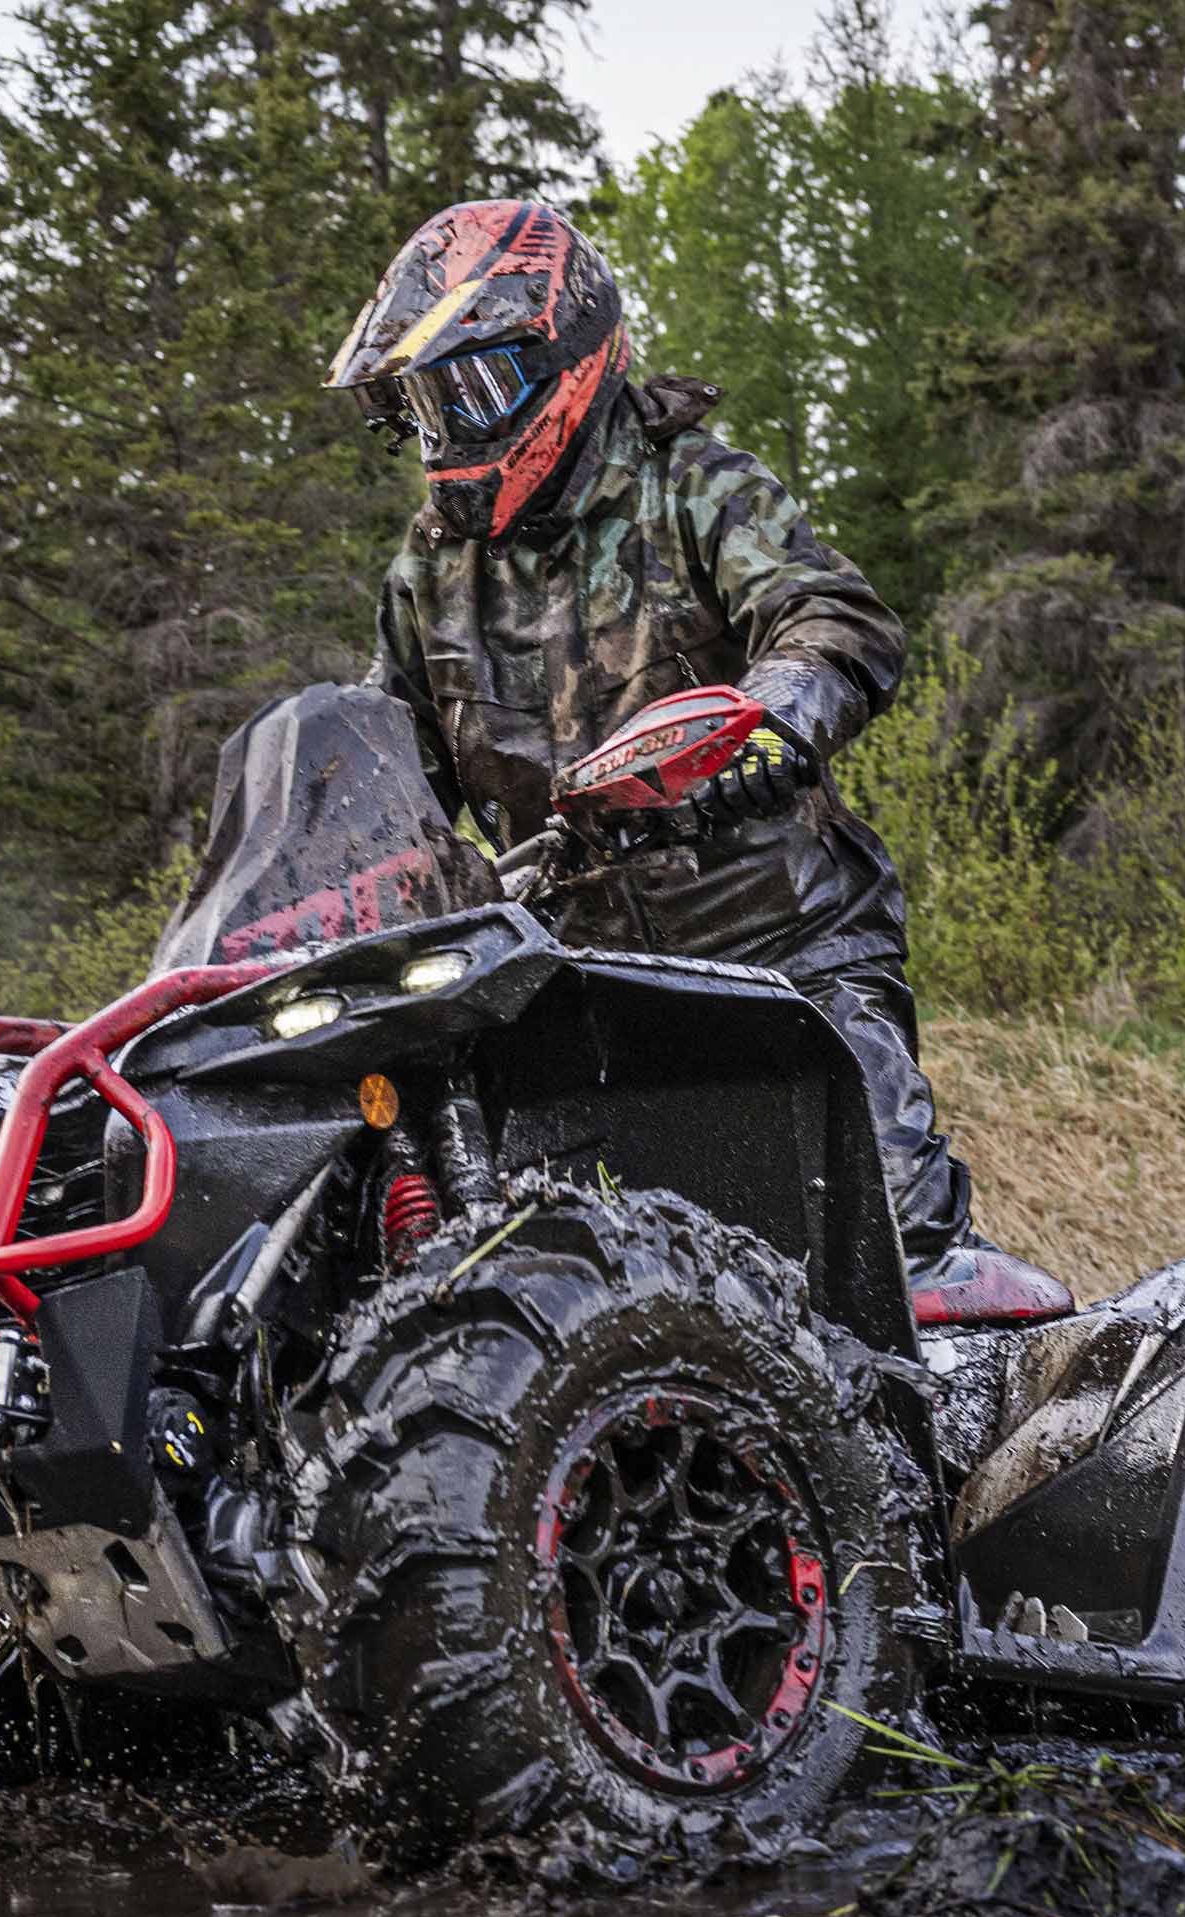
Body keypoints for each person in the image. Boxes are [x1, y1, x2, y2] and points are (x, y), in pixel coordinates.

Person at [329, 197, 977, 1270]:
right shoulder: (430, 574)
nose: (452, 426)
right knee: (525, 1266)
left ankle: (975, 1407)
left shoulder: (695, 487)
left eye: (476, 387)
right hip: (577, 990)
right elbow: (383, 768)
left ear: (566, 354)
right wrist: (334, 868)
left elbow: (834, 618)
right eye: (430, 401)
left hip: (780, 956)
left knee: (889, 1244)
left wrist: (765, 723)